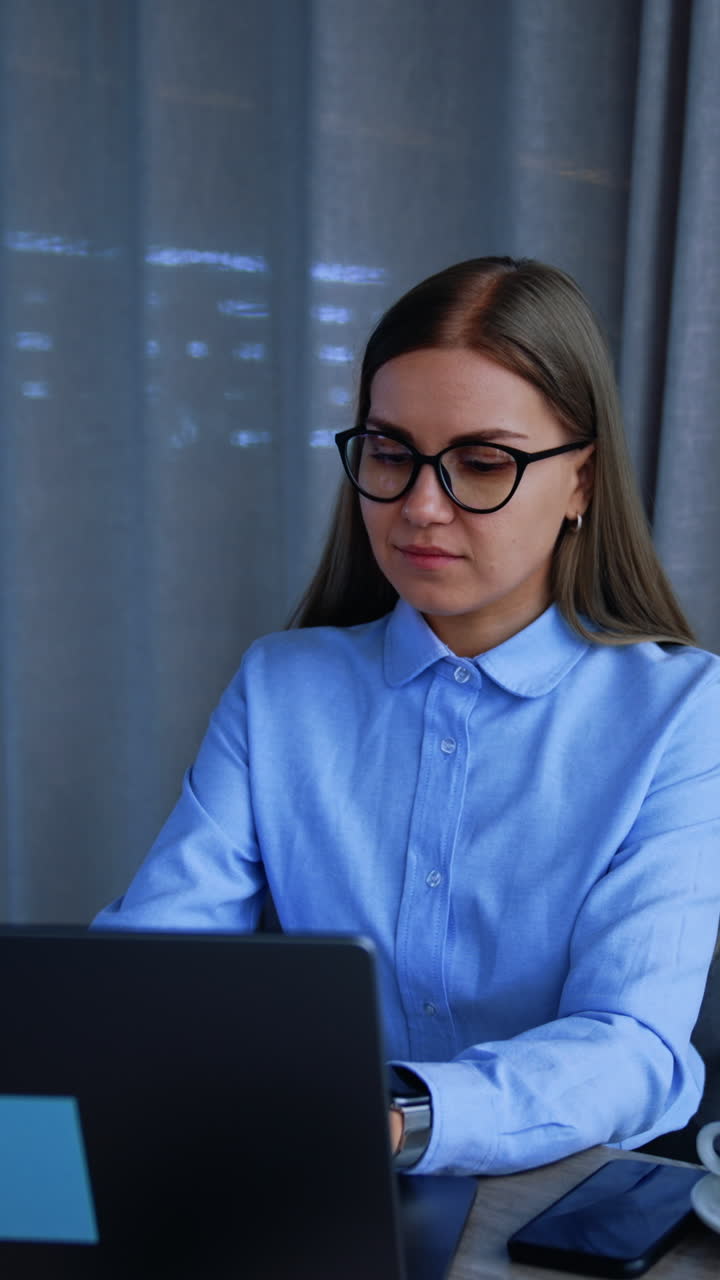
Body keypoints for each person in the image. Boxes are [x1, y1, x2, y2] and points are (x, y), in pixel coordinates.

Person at [93, 256, 720, 1177]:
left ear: (581, 481)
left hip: (551, 1199)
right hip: (295, 1172)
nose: (422, 507)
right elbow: (154, 969)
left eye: (481, 462)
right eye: (391, 453)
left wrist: (396, 1120)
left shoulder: (680, 711)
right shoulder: (281, 688)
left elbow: (630, 1042)